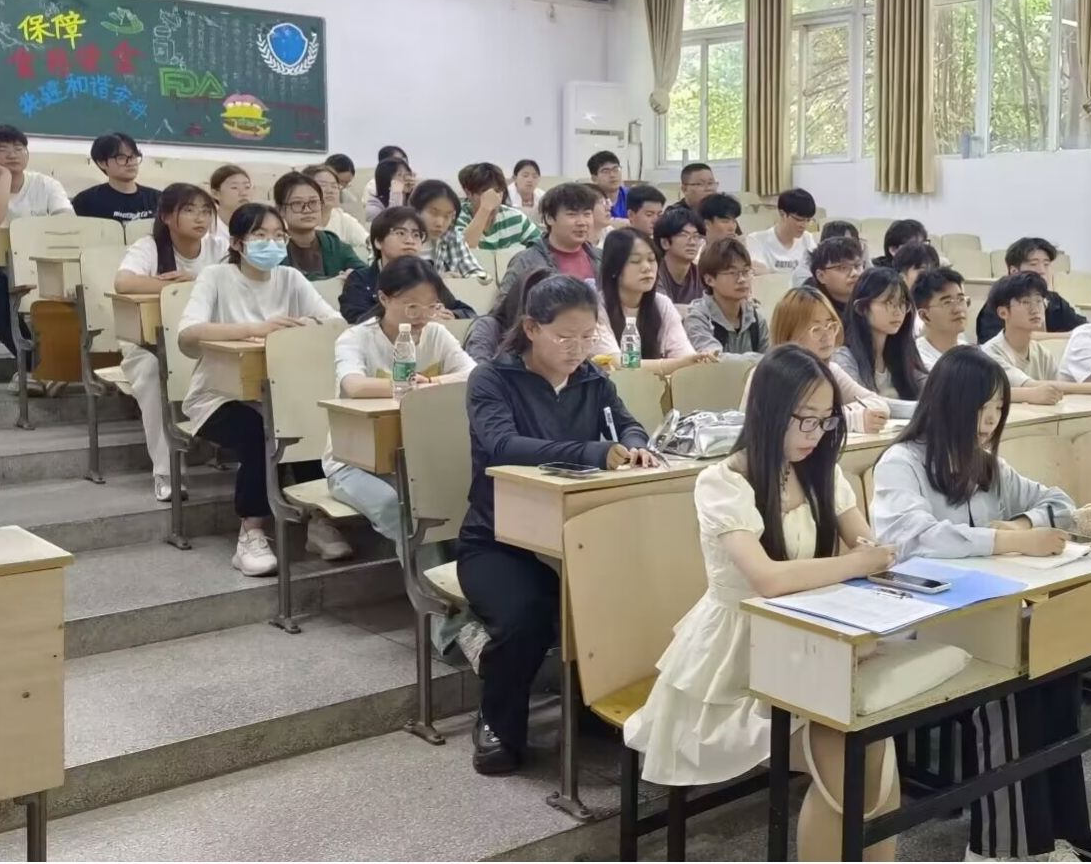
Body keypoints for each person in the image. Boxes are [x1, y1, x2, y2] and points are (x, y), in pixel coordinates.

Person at [624, 345, 900, 861]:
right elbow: (768, 579)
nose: (814, 434)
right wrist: (858, 563)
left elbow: (865, 544)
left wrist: (874, 554)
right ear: (768, 412)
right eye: (803, 419)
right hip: (737, 664)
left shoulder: (821, 470)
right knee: (846, 750)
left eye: (825, 420)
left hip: (808, 638)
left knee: (874, 745)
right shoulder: (722, 482)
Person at [869, 346, 1088, 862]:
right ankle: (998, 850)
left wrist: (1022, 523)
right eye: (981, 408)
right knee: (1007, 686)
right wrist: (1009, 541)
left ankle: (1054, 837)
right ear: (949, 403)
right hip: (922, 616)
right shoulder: (902, 463)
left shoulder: (985, 464)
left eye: (998, 409)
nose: (990, 421)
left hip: (986, 612)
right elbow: (914, 539)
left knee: (1057, 669)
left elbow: (1061, 503)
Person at [459, 274, 660, 774]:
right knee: (527, 613)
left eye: (587, 336)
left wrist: (635, 445)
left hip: (577, 536)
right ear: (531, 328)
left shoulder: (592, 379)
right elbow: (502, 446)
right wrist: (591, 453)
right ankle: (497, 722)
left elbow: (627, 423)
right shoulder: (492, 379)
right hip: (498, 540)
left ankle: (596, 707)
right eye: (565, 337)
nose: (577, 348)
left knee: (626, 596)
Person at [321, 255, 483, 665]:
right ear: (383, 298)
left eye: (430, 306)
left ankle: (475, 611)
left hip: (415, 459)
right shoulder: (356, 338)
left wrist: (428, 382)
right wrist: (409, 386)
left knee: (458, 505)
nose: (421, 315)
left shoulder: (436, 334)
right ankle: (448, 630)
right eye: (411, 306)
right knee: (406, 515)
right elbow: (353, 385)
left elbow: (474, 374)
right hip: (352, 462)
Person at [177, 202, 346, 576]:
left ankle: (318, 521)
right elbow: (189, 334)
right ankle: (250, 533)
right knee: (261, 431)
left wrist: (306, 325)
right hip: (218, 398)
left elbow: (336, 324)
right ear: (238, 243)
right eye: (260, 235)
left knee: (309, 418)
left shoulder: (290, 278)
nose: (272, 243)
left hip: (281, 393)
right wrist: (255, 329)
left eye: (278, 236)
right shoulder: (216, 277)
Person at [112, 183, 228, 501]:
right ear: (166, 216)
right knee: (153, 372)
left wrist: (197, 281)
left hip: (207, 340)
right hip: (150, 343)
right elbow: (124, 282)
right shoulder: (149, 247)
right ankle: (166, 471)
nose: (200, 218)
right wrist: (173, 287)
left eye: (205, 211)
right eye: (189, 210)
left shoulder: (219, 247)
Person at [0, 124, 72, 395]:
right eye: (2, 149)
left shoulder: (46, 184)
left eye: (19, 148)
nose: (13, 154)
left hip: (41, 262)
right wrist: (3, 178)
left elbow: (67, 225)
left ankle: (46, 366)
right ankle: (39, 365)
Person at [749, 287, 888, 433]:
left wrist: (839, 415)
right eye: (816, 329)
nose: (826, 335)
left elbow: (879, 404)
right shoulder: (769, 373)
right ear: (789, 333)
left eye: (830, 326)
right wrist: (850, 419)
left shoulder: (830, 370)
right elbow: (789, 424)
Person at [985, 272, 1091, 404]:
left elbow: (1058, 388)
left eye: (1039, 301)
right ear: (1003, 313)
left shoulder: (1041, 353)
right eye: (1025, 302)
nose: (1035, 309)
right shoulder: (991, 353)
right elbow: (1032, 386)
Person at [592, 228, 714, 374]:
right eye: (635, 261)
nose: (647, 268)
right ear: (614, 268)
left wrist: (694, 360)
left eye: (651, 259)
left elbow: (684, 354)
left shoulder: (662, 304)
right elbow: (617, 364)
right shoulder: (595, 308)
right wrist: (677, 364)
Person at [491, 183, 603, 329]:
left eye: (587, 214)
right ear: (549, 218)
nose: (582, 222)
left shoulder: (601, 258)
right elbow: (503, 312)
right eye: (572, 214)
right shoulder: (526, 261)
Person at [339, 207, 473, 325]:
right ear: (378, 242)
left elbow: (468, 312)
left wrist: (452, 315)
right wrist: (404, 308)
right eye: (400, 233)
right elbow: (356, 322)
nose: (410, 241)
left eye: (416, 235)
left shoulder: (426, 276)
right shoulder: (360, 279)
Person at [832, 267, 926, 418]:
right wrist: (922, 409)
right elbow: (864, 403)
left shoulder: (905, 350)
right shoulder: (843, 357)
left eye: (902, 303)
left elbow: (931, 388)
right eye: (888, 303)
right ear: (861, 308)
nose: (898, 311)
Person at [974, 237, 1086, 343]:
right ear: (1014, 271)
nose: (1042, 270)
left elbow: (1084, 329)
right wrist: (1068, 335)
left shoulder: (1055, 301)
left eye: (1046, 264)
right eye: (1033, 264)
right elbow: (1002, 340)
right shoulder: (998, 303)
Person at [274, 171, 366, 281]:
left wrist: (353, 275)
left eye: (313, 202)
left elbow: (364, 272)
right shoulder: (273, 247)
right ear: (280, 210)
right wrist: (332, 281)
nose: (307, 210)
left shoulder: (332, 243)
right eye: (297, 203)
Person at [685, 237, 768, 355]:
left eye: (746, 271)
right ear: (709, 280)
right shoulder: (697, 318)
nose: (742, 279)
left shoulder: (756, 319)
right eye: (733, 273)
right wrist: (758, 360)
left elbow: (770, 361)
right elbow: (714, 360)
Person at [71, 132, 159, 222]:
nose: (130, 162)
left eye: (133, 156)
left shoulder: (158, 199)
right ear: (102, 163)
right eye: (121, 157)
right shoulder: (86, 201)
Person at [455, 162, 542, 253]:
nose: (493, 198)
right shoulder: (456, 216)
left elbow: (544, 246)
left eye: (497, 191)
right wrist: (485, 209)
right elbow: (461, 251)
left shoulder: (516, 217)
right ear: (469, 193)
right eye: (485, 193)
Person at [409, 179, 486, 280]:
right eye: (433, 213)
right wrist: (438, 280)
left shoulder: (451, 238)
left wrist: (468, 280)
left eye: (447, 216)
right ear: (416, 210)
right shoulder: (401, 239)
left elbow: (475, 272)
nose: (440, 223)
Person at [303, 163, 369, 256]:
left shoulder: (343, 219)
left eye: (334, 186)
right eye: (323, 185)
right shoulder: (297, 220)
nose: (330, 191)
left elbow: (367, 241)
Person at [745, 188, 817, 273]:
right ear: (783, 214)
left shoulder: (807, 239)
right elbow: (758, 274)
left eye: (808, 220)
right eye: (799, 220)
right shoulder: (756, 240)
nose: (804, 225)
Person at [914, 266, 970, 369]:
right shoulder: (918, 360)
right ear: (924, 316)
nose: (958, 309)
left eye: (961, 299)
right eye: (947, 302)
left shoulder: (970, 351)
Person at [654, 206, 706, 305]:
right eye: (684, 235)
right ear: (665, 243)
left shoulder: (701, 275)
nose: (692, 242)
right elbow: (662, 309)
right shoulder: (653, 272)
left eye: (696, 236)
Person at [805, 235, 866, 312]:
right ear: (821, 276)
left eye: (857, 265)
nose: (854, 273)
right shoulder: (810, 309)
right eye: (843, 267)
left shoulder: (873, 299)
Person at [794, 219, 862, 281]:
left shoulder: (857, 262)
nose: (851, 248)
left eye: (854, 243)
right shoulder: (805, 272)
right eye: (845, 244)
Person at [366, 156, 418, 222]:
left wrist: (415, 192)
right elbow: (394, 223)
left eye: (407, 174)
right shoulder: (374, 209)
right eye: (399, 175)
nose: (407, 178)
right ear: (386, 179)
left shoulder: (410, 200)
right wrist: (396, 193)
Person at [209, 164, 251, 243]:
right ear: (215, 194)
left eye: (247, 187)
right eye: (234, 187)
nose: (243, 193)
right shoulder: (207, 227)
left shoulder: (257, 222)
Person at [587, 150, 628, 218]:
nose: (612, 175)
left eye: (616, 169)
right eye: (605, 171)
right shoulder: (589, 200)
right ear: (594, 178)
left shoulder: (631, 196)